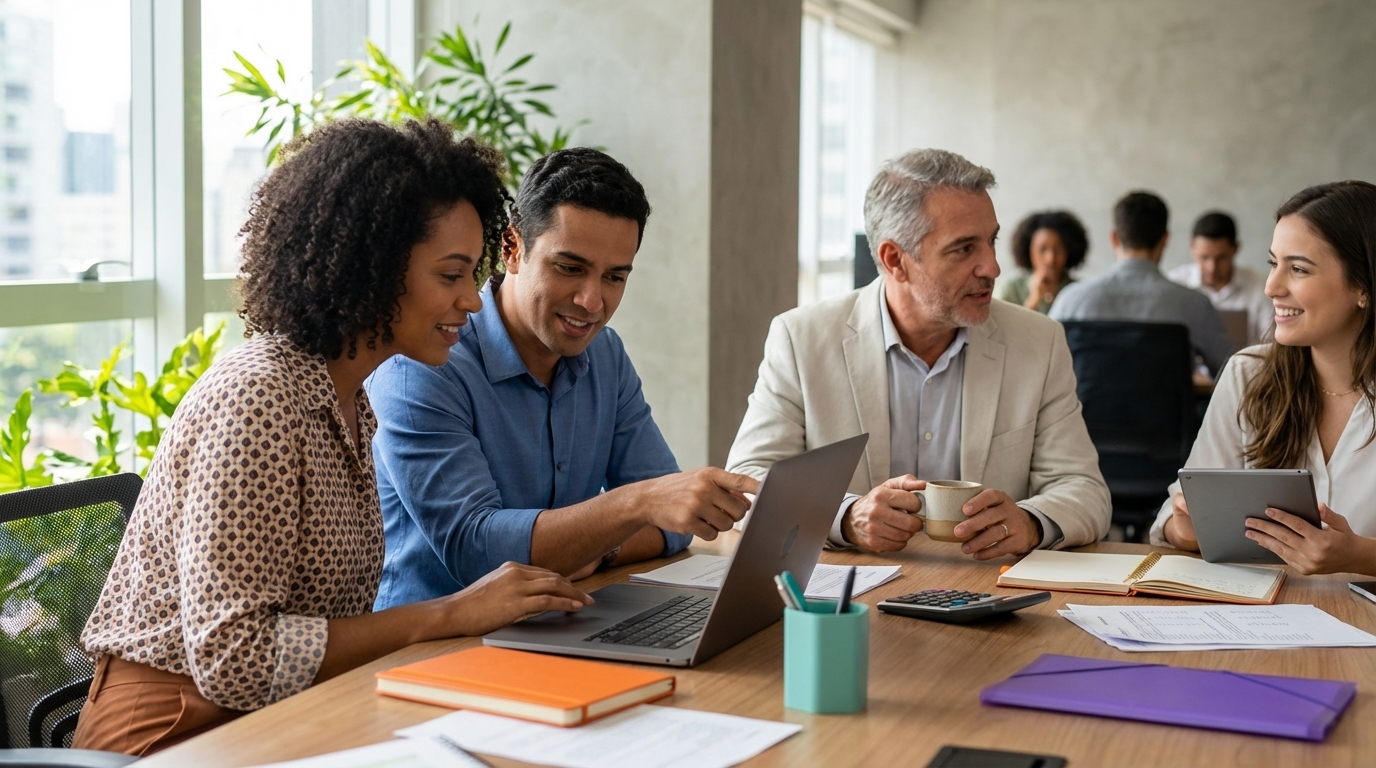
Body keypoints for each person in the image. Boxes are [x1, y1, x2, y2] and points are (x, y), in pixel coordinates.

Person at [73, 119, 593, 757]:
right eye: (450, 276)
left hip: (288, 716)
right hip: (173, 734)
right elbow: (233, 657)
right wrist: (448, 613)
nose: (473, 301)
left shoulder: (349, 398)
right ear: (371, 270)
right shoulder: (258, 398)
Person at [367, 147, 757, 610]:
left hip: (563, 620)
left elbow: (675, 524)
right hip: (439, 641)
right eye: (570, 268)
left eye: (615, 277)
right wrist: (635, 505)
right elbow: (477, 552)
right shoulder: (420, 366)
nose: (592, 302)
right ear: (512, 249)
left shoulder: (605, 355)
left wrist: (601, 548)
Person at [725, 148, 1110, 558]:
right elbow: (746, 482)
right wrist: (846, 517)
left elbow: (1085, 489)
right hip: (851, 586)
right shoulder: (802, 339)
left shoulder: (1039, 341)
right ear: (895, 260)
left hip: (985, 585)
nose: (992, 267)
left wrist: (1030, 523)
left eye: (991, 241)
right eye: (964, 248)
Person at [1151, 180, 1376, 576]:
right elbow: (1175, 521)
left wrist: (1359, 555)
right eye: (1274, 263)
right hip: (1263, 609)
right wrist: (1188, 527)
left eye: (1298, 269)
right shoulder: (1247, 375)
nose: (1272, 287)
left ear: (1363, 286)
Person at [1049, 191, 1236, 375]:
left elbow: (1044, 367)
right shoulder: (1195, 305)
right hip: (1165, 397)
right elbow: (1231, 373)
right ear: (1165, 240)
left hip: (1086, 397)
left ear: (1114, 238)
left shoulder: (1071, 299)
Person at [1167, 211, 1274, 346]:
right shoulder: (1174, 284)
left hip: (1247, 360)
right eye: (1204, 257)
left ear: (1235, 249)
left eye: (1221, 258)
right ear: (1192, 247)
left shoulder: (1260, 286)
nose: (1212, 268)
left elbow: (1270, 344)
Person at [993, 210, 1089, 314]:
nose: (1050, 259)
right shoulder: (1010, 290)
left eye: (1059, 250)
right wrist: (1034, 300)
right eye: (1042, 249)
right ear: (1028, 250)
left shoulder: (1080, 291)